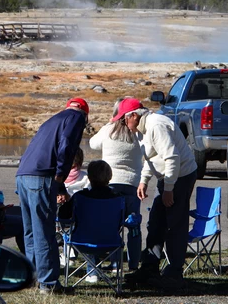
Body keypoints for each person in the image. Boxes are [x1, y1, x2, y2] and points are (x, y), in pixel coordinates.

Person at [116, 98, 198, 291]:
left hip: (181, 176)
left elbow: (172, 157)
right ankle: (150, 268)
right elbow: (151, 157)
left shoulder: (156, 126)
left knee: (175, 224)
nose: (123, 124)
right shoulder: (141, 129)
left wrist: (169, 189)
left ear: (134, 115)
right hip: (168, 178)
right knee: (156, 222)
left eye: (124, 120)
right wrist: (144, 180)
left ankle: (174, 273)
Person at [16, 97, 89, 295]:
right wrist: (60, 175)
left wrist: (61, 187)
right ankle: (48, 283)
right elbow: (67, 146)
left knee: (30, 230)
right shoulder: (75, 118)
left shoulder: (52, 120)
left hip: (23, 175)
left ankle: (31, 277)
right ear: (85, 114)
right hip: (42, 176)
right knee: (44, 231)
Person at [89, 96, 144, 271]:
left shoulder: (108, 129)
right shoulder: (139, 132)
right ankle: (134, 263)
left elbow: (93, 144)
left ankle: (115, 263)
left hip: (109, 183)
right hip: (133, 184)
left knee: (110, 225)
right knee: (133, 227)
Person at [58, 160, 118, 284]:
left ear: (89, 177)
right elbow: (124, 219)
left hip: (83, 240)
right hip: (111, 240)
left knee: (87, 231)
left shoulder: (80, 197)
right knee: (95, 230)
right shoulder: (118, 198)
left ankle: (92, 272)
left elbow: (63, 215)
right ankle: (95, 270)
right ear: (110, 177)